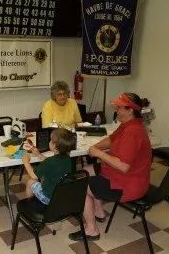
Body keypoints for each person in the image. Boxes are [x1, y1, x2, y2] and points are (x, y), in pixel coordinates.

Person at [69, 92, 152, 241]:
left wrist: (99, 154)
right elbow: (110, 139)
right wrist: (95, 147)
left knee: (80, 185)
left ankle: (91, 230)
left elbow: (123, 166)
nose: (116, 110)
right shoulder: (128, 124)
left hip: (129, 183)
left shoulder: (133, 132)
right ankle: (99, 212)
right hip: (123, 176)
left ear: (130, 110)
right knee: (85, 171)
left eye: (120, 108)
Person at [22, 128, 76, 204]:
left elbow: (34, 176)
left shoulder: (49, 161)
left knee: (31, 182)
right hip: (62, 195)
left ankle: (29, 204)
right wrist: (38, 154)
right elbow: (51, 163)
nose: (49, 141)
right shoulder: (67, 159)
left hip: (49, 198)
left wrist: (26, 162)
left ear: (54, 145)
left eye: (50, 140)